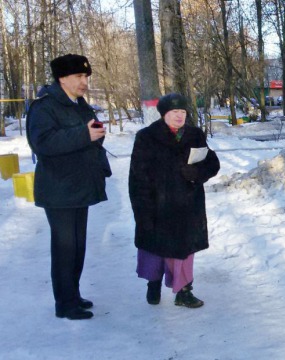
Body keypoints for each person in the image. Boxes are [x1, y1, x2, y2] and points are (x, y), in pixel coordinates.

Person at [26, 54, 111, 320]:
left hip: (79, 187)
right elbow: (43, 143)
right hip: (58, 189)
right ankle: (64, 303)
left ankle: (72, 294)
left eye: (86, 76)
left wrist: (95, 133)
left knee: (78, 246)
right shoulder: (45, 106)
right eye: (79, 76)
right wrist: (84, 134)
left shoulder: (79, 103)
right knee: (65, 248)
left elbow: (87, 132)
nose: (84, 81)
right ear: (62, 78)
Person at [129, 93, 220, 308]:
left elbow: (213, 163)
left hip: (188, 205)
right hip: (157, 205)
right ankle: (153, 282)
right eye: (174, 112)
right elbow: (137, 178)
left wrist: (196, 172)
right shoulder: (146, 137)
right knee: (155, 251)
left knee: (184, 252)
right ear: (163, 114)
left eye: (183, 112)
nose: (180, 116)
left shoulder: (195, 135)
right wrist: (142, 212)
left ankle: (184, 292)